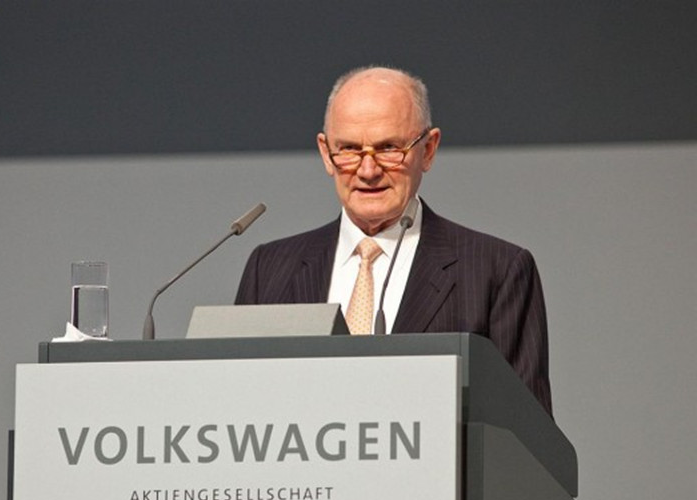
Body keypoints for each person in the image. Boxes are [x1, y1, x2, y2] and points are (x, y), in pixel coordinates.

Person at [235, 66, 551, 416]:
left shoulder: (496, 271)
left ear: (428, 150)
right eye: (349, 149)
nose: (368, 171)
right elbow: (237, 409)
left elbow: (525, 431)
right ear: (326, 153)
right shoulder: (270, 270)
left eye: (389, 148)